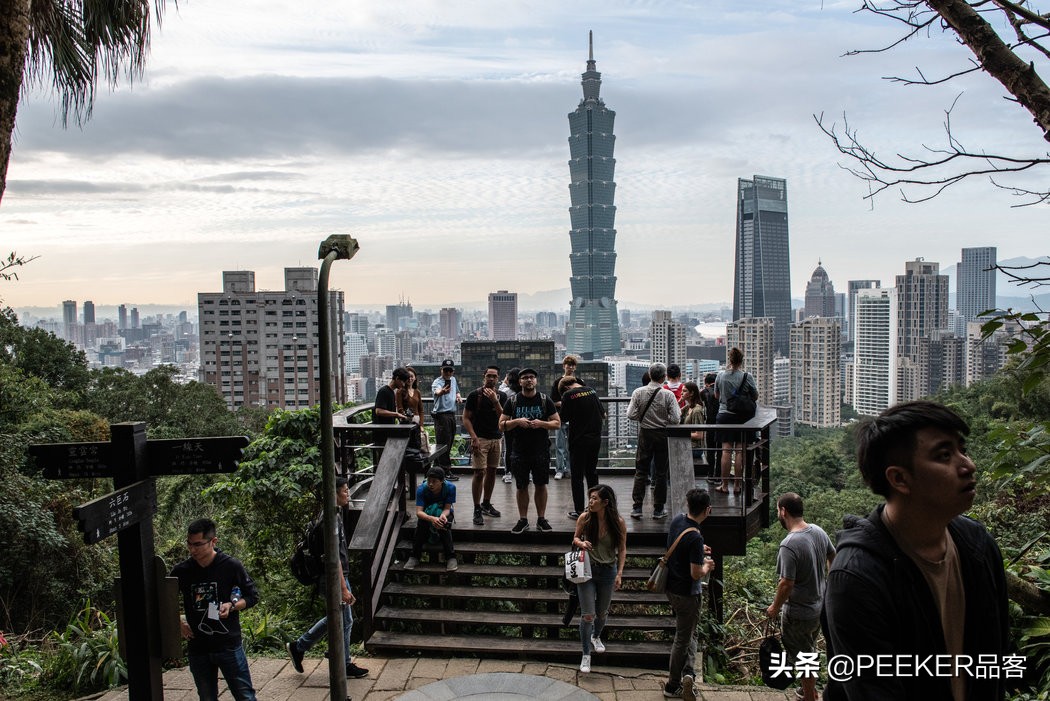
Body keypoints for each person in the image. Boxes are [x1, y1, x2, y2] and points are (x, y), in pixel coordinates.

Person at [821, 401, 1009, 701]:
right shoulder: (857, 577)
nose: (967, 465)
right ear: (899, 478)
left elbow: (994, 665)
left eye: (963, 450)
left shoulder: (978, 546)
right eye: (944, 455)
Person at [286, 477, 369, 680]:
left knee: (339, 617)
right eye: (344, 490)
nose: (348, 494)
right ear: (334, 493)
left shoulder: (332, 515)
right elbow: (334, 558)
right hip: (332, 577)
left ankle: (304, 647)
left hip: (333, 576)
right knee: (344, 619)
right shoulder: (330, 520)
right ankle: (342, 661)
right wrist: (343, 587)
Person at [171, 518, 260, 701]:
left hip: (228, 644)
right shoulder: (181, 571)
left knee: (245, 696)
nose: (192, 549)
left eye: (198, 544)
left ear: (213, 541)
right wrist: (178, 624)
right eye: (189, 544)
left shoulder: (231, 566)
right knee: (206, 697)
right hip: (198, 646)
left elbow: (252, 596)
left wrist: (232, 605)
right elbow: (164, 601)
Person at [765, 493, 835, 701]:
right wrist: (828, 585)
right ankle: (808, 690)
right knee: (809, 649)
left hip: (799, 613)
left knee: (804, 657)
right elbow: (833, 555)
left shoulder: (789, 544)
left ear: (783, 511)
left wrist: (774, 608)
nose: (778, 513)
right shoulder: (818, 532)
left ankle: (809, 696)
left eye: (778, 510)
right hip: (818, 608)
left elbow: (786, 583)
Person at [663, 488, 716, 701]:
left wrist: (698, 549)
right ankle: (673, 684)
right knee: (683, 638)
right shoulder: (695, 536)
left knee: (691, 632)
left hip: (671, 587)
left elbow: (676, 545)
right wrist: (707, 566)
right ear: (708, 510)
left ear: (688, 505)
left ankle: (689, 673)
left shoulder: (678, 521)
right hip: (687, 593)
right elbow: (696, 573)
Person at [570, 484, 627, 674]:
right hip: (587, 570)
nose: (591, 502)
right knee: (588, 614)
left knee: (602, 612)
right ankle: (586, 654)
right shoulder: (585, 518)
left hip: (608, 571)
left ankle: (596, 636)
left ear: (605, 502)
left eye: (594, 499)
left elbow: (622, 549)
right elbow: (575, 539)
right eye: (590, 498)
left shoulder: (617, 522)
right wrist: (581, 543)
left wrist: (619, 573)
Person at [499, 367, 560, 534]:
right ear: (520, 382)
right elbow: (501, 425)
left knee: (541, 484)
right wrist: (517, 421)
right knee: (521, 486)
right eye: (525, 377)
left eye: (532, 377)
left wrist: (541, 424)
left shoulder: (544, 400)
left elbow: (557, 423)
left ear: (536, 381)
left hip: (541, 449)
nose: (529, 380)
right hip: (519, 450)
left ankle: (541, 519)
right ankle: (523, 519)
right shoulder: (512, 401)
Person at [627, 362, 681, 520]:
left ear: (649, 375)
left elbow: (630, 415)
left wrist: (643, 419)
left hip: (645, 434)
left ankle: (637, 507)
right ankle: (658, 509)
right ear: (664, 377)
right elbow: (676, 419)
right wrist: (664, 420)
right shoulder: (668, 395)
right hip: (662, 435)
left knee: (641, 471)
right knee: (661, 473)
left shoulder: (638, 392)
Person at [557, 375, 605, 519]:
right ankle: (595, 506)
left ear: (565, 387)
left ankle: (579, 511)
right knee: (592, 473)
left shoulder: (568, 394)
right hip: (595, 438)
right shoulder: (591, 390)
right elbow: (603, 414)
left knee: (577, 476)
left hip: (578, 440)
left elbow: (563, 418)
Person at [463, 365, 505, 525]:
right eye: (489, 376)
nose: (491, 379)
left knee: (492, 471)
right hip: (480, 439)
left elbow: (504, 417)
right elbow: (466, 418)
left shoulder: (501, 396)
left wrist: (495, 401)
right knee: (479, 473)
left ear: (498, 378)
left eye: (494, 376)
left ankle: (486, 503)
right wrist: (473, 437)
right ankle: (476, 508)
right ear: (484, 376)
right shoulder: (475, 395)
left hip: (496, 438)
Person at [713, 347, 757, 495]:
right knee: (740, 451)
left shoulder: (720, 376)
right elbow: (755, 396)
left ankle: (724, 485)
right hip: (743, 418)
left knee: (726, 450)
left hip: (725, 415)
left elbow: (716, 396)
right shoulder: (747, 376)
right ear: (741, 360)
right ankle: (737, 485)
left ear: (729, 360)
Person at [405, 466, 458, 571]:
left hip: (442, 512)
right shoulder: (422, 489)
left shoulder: (450, 488)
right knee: (421, 525)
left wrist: (442, 516)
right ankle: (414, 556)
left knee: (444, 525)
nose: (430, 484)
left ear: (442, 481)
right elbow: (419, 512)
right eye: (429, 480)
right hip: (427, 513)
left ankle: (451, 557)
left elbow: (447, 508)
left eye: (434, 481)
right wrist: (432, 518)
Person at [431, 359, 463, 480]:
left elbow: (457, 391)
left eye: (450, 370)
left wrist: (458, 396)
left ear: (453, 371)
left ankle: (437, 469)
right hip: (441, 415)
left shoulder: (453, 380)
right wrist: (442, 391)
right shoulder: (437, 382)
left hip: (451, 414)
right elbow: (437, 391)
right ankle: (445, 470)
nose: (448, 373)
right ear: (441, 370)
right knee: (443, 443)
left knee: (449, 442)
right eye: (446, 370)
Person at [551, 354, 580, 480]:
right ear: (564, 366)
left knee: (572, 445)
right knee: (560, 445)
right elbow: (553, 400)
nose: (570, 367)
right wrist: (569, 402)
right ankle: (559, 469)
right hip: (560, 417)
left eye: (572, 365)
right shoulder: (557, 382)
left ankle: (570, 469)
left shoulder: (579, 382)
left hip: (575, 419)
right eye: (568, 365)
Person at [499, 367, 521, 484]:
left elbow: (500, 390)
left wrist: (504, 381)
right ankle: (527, 473)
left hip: (509, 424)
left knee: (509, 449)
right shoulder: (523, 392)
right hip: (523, 423)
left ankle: (508, 473)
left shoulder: (506, 392)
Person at [698, 373, 721, 475]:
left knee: (710, 450)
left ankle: (710, 475)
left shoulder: (704, 392)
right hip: (722, 423)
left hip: (710, 423)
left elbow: (698, 403)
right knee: (721, 450)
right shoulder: (721, 391)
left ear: (706, 383)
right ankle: (718, 475)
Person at [680, 381, 706, 465]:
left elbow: (699, 435)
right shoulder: (688, 407)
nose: (681, 393)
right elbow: (675, 413)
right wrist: (680, 401)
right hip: (687, 445)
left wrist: (680, 434)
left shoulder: (697, 410)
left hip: (695, 448)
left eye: (684, 391)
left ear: (691, 393)